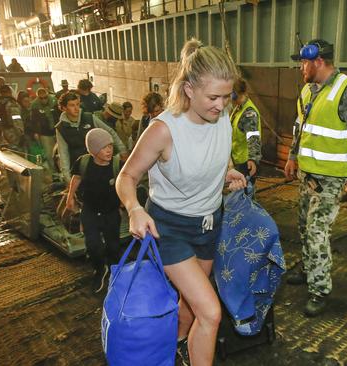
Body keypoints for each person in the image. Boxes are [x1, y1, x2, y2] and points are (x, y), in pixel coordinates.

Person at [115, 38, 247, 366]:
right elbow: (126, 177)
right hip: (170, 228)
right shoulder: (163, 130)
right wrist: (135, 208)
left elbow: (217, 154)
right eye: (213, 97)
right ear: (188, 90)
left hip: (208, 225)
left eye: (226, 96)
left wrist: (227, 172)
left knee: (189, 309)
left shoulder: (224, 117)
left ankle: (173, 350)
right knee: (211, 311)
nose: (221, 105)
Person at [284, 39, 347, 317]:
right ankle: (307, 266)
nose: (301, 67)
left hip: (333, 179)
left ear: (318, 61)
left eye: (303, 62)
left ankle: (319, 289)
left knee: (316, 232)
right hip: (308, 174)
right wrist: (292, 155)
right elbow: (301, 126)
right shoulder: (308, 90)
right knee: (303, 226)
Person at [66, 129, 122, 293]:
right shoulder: (83, 163)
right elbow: (76, 178)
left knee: (113, 246)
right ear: (94, 150)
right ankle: (99, 270)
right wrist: (70, 198)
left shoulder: (117, 164)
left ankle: (115, 273)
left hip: (111, 212)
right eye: (105, 147)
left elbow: (126, 181)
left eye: (111, 146)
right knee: (93, 246)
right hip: (89, 211)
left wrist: (126, 203)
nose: (109, 150)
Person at [55, 92, 127, 183]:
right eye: (72, 105)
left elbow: (110, 132)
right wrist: (67, 178)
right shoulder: (61, 128)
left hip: (99, 162)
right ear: (64, 108)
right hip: (81, 168)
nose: (76, 108)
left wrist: (122, 150)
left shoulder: (89, 117)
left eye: (77, 104)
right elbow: (63, 153)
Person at [230, 77, 262, 192]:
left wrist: (252, 159)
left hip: (245, 163)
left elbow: (253, 137)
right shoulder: (238, 109)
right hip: (238, 160)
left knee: (244, 195)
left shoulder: (249, 113)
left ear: (236, 93)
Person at [29, 88, 59, 173]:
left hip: (56, 130)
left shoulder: (54, 101)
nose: (44, 100)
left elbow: (59, 114)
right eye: (41, 98)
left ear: (48, 95)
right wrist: (35, 132)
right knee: (49, 154)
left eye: (45, 97)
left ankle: (60, 170)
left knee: (60, 152)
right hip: (44, 133)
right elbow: (33, 120)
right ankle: (53, 172)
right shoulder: (35, 105)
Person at [0, 84, 25, 149]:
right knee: (18, 150)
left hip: (3, 132)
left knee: (9, 150)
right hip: (13, 132)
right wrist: (21, 134)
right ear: (9, 92)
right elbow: (16, 120)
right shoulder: (12, 104)